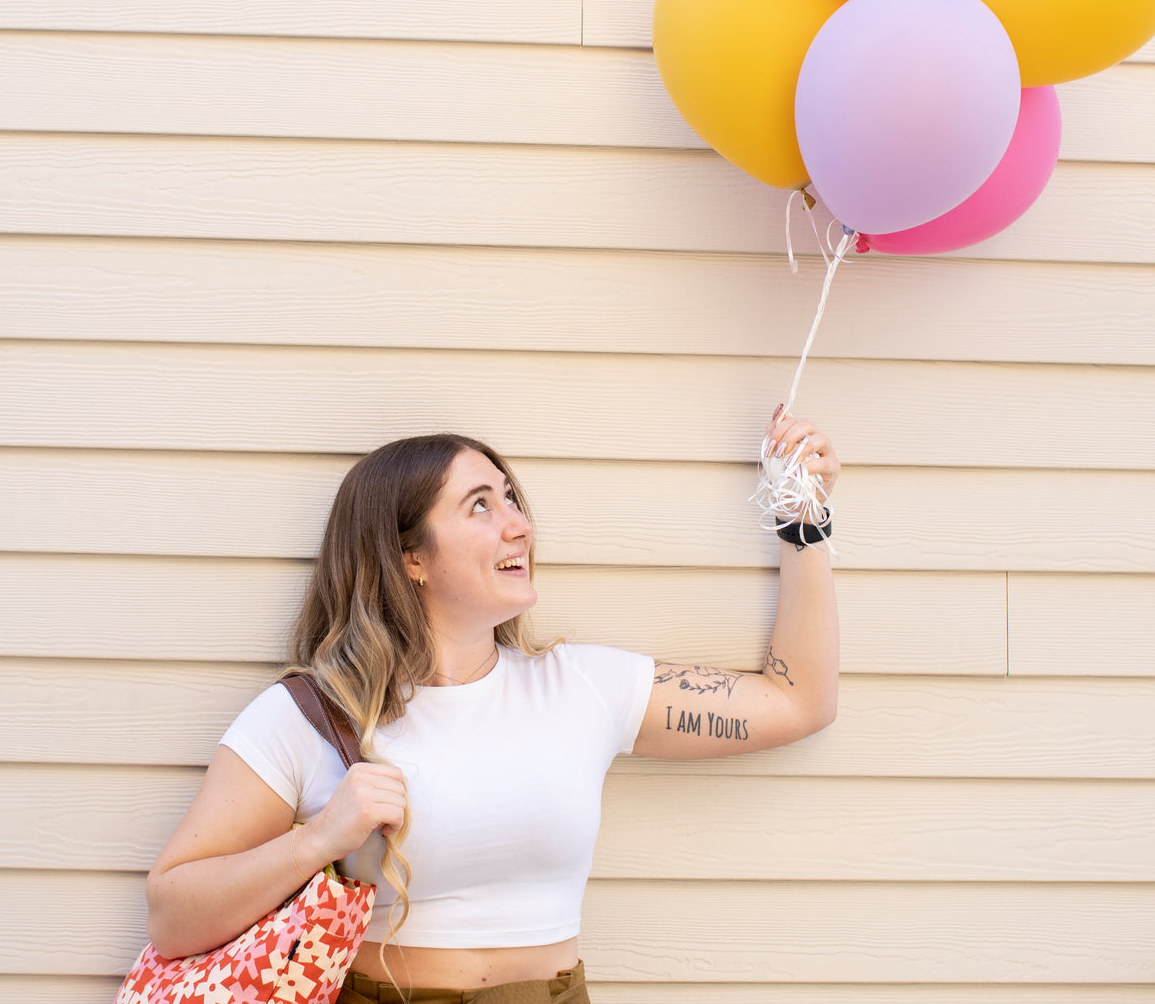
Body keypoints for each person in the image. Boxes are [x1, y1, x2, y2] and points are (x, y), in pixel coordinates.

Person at [144, 406, 839, 1003]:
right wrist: (320, 839)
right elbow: (173, 916)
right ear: (409, 556)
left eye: (511, 499)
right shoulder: (313, 716)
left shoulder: (580, 687)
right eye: (481, 505)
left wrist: (802, 524)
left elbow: (797, 701)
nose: (520, 526)